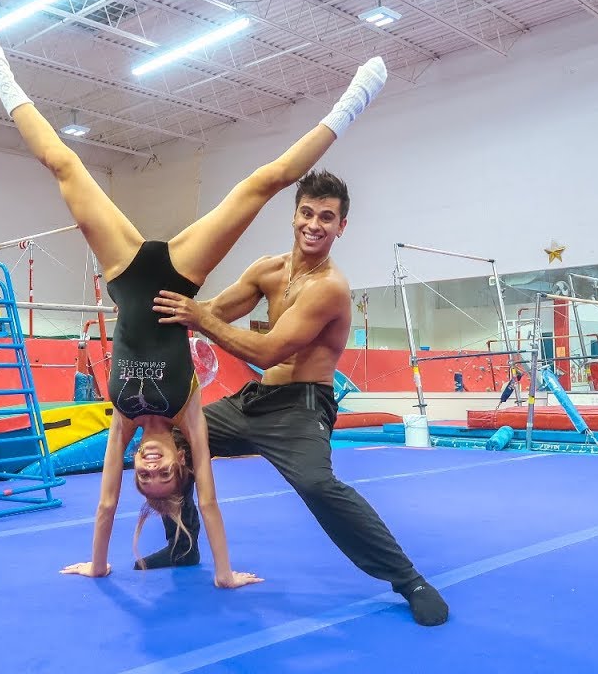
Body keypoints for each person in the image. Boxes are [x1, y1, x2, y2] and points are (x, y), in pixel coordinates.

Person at [0, 26, 388, 589]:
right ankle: (357, 97)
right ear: (177, 459)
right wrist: (226, 573)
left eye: (149, 471)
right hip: (177, 277)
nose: (152, 463)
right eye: (164, 469)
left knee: (63, 165)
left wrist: (97, 563)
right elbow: (212, 499)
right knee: (266, 181)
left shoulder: (124, 418)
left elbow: (104, 505)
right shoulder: (188, 411)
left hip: (123, 275)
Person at [147, 172, 451, 625]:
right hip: (256, 399)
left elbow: (269, 350)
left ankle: (410, 581)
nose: (314, 224)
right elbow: (214, 312)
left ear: (341, 226)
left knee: (316, 485)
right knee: (174, 439)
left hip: (303, 407)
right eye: (307, 213)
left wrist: (199, 320)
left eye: (327, 217)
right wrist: (157, 310)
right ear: (294, 215)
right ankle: (182, 544)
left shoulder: (329, 288)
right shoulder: (268, 270)